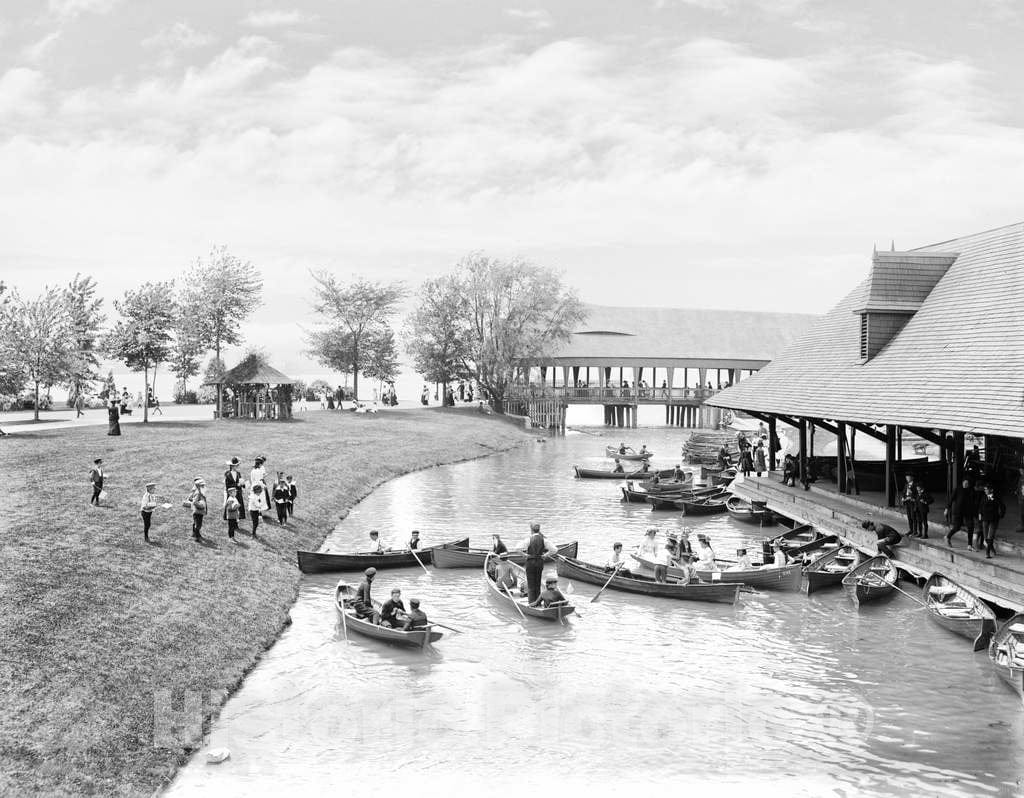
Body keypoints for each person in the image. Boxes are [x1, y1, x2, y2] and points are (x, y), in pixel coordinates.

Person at [523, 522, 557, 604]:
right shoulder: (544, 540)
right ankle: (537, 602)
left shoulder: (528, 539)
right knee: (537, 583)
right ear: (539, 530)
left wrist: (525, 555)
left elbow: (517, 548)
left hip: (530, 562)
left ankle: (531, 603)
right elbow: (555, 550)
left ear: (531, 530)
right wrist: (545, 555)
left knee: (531, 584)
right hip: (539, 563)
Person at [945, 478, 976, 549]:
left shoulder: (971, 490)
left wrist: (975, 512)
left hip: (968, 512)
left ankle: (970, 545)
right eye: (965, 483)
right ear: (962, 483)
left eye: (967, 484)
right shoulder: (958, 489)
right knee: (957, 527)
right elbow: (951, 499)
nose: (966, 485)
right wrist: (947, 508)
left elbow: (974, 501)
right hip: (958, 511)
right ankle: (947, 537)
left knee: (971, 526)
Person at [977, 484, 1006, 559]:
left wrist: (1000, 515)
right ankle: (991, 548)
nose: (985, 490)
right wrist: (980, 516)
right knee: (986, 537)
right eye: (985, 489)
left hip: (994, 519)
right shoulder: (983, 497)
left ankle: (987, 552)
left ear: (991, 490)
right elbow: (980, 507)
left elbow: (1002, 507)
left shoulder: (997, 497)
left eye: (986, 489)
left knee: (990, 536)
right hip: (985, 519)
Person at [224, 457, 246, 524]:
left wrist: (243, 485)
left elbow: (240, 481)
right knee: (231, 506)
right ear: (232, 466)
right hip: (231, 493)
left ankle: (238, 518)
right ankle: (231, 518)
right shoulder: (228, 474)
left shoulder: (238, 473)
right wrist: (237, 485)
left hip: (238, 493)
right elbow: (228, 485)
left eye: (237, 465)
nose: (237, 466)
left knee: (238, 505)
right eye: (236, 465)